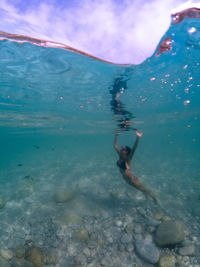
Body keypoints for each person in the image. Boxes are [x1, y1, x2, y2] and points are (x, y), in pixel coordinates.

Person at [114, 130, 157, 204]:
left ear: (126, 152)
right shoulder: (120, 155)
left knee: (143, 189)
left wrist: (138, 138)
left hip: (132, 180)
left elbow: (134, 149)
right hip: (127, 181)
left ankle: (154, 198)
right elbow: (115, 146)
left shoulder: (128, 159)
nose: (121, 149)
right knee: (141, 189)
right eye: (121, 148)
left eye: (123, 149)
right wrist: (116, 135)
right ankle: (147, 196)